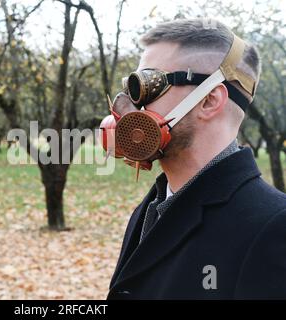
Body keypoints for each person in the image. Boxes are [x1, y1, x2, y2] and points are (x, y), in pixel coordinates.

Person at [107, 18, 286, 299]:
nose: (133, 105)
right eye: (131, 87)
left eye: (149, 85)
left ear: (210, 100)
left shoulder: (274, 228)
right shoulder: (152, 206)